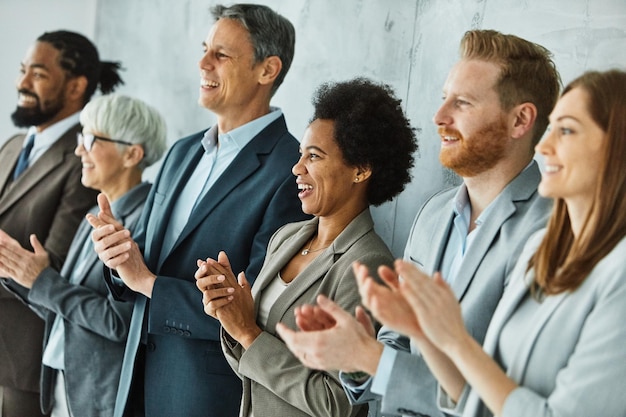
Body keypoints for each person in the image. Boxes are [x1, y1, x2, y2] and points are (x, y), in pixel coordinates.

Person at [276, 29, 560, 417]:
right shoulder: (433, 214)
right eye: (445, 99)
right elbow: (397, 341)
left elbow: (508, 399)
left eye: (463, 103)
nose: (440, 117)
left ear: (520, 120)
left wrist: (374, 359)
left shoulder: (555, 232)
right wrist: (356, 357)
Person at [360, 69, 626, 417]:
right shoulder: (541, 251)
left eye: (567, 130)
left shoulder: (616, 275)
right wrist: (421, 334)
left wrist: (454, 339)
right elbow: (479, 400)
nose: (544, 146)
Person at [87, 4, 308, 417]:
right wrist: (119, 258)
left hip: (204, 398)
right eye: (205, 48)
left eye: (221, 55)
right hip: (133, 382)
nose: (202, 62)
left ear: (268, 69)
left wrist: (149, 282)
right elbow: (141, 271)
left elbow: (259, 310)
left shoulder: (291, 170)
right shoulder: (181, 151)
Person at [195, 78, 417, 417]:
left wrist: (248, 332)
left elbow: (338, 403)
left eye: (314, 156)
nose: (297, 168)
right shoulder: (286, 237)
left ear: (361, 170)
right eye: (301, 155)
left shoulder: (367, 266)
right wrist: (231, 314)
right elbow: (251, 366)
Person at [0, 94, 167, 417]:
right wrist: (21, 275)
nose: (79, 150)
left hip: (99, 398)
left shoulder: (145, 221)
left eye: (91, 139)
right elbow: (61, 303)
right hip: (65, 388)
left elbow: (118, 323)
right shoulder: (95, 211)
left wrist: (42, 281)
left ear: (132, 154)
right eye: (81, 138)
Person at [0, 30, 123, 417]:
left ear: (76, 86)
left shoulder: (86, 162)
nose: (22, 83)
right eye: (23, 71)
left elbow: (49, 267)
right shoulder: (13, 146)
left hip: (25, 361)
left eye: (37, 74)